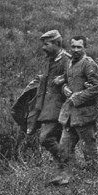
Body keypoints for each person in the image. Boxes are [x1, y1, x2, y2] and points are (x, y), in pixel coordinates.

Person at [48, 36, 98, 185]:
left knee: (89, 148)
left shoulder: (89, 64)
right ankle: (65, 176)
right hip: (70, 115)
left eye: (79, 47)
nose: (76, 50)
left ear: (85, 47)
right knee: (64, 146)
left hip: (85, 115)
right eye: (73, 47)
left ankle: (97, 179)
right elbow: (68, 78)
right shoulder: (70, 62)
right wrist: (63, 85)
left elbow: (97, 87)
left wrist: (77, 97)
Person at [27, 30, 71, 163]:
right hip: (46, 106)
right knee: (56, 138)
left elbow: (74, 79)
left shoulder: (67, 60)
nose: (43, 48)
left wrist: (63, 80)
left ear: (57, 43)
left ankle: (67, 162)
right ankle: (62, 167)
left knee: (45, 138)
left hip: (59, 107)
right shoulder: (50, 60)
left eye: (46, 44)